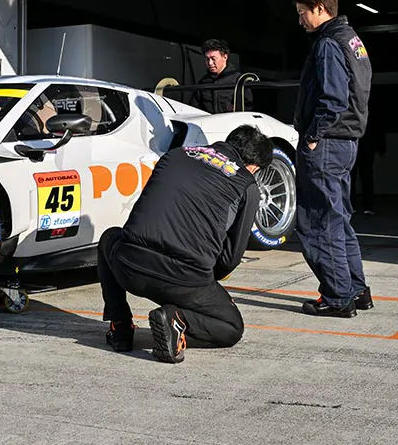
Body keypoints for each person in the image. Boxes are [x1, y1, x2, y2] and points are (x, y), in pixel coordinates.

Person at [97, 125, 274, 364]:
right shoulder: (246, 184)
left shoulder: (177, 154)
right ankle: (177, 319)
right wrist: (206, 278)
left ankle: (120, 327)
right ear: (254, 166)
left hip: (131, 265)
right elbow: (230, 259)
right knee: (231, 326)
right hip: (184, 281)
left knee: (109, 237)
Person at [292, 0, 373, 317]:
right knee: (338, 220)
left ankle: (338, 298)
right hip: (346, 142)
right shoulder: (352, 40)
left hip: (326, 143)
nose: (300, 21)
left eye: (302, 13)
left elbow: (334, 99)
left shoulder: (327, 43)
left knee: (318, 224)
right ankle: (357, 291)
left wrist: (313, 135)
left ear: (319, 9)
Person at [196, 39, 252, 113]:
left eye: (213, 59)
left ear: (225, 57)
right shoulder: (203, 82)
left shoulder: (238, 80)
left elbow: (248, 108)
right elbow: (195, 108)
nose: (210, 63)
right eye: (207, 59)